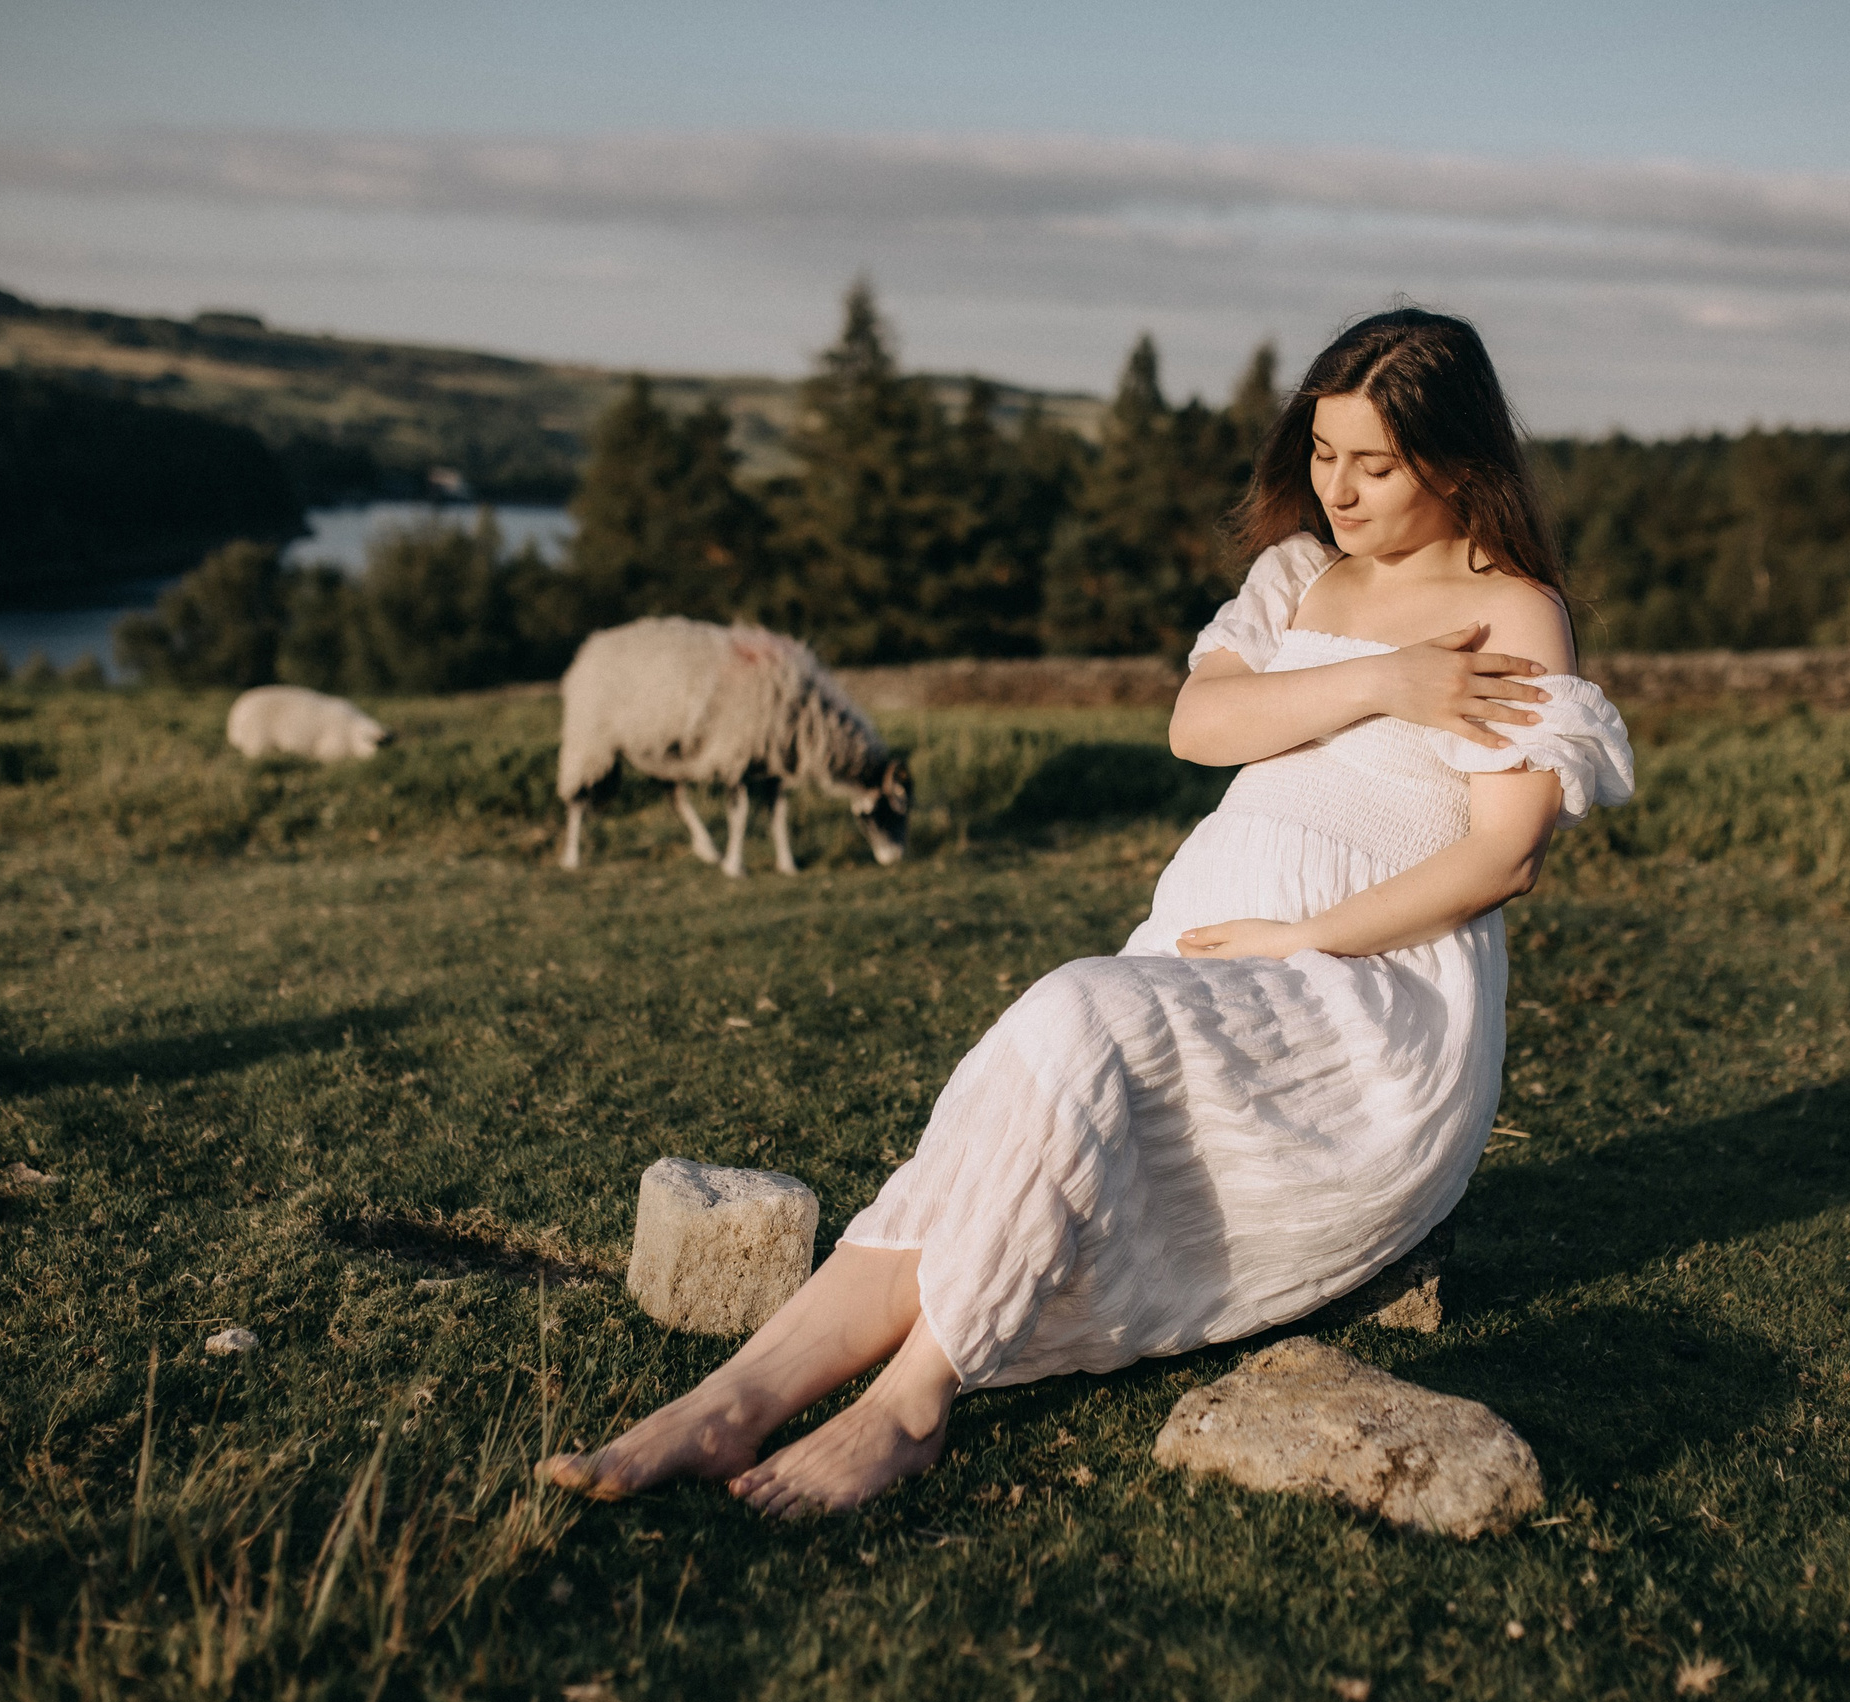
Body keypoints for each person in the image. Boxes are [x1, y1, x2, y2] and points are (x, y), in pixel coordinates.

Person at [537, 308, 1636, 1516]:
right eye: (1324, 454)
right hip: (1201, 958)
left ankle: (911, 1400)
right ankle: (732, 1397)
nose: (1339, 490)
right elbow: (1198, 724)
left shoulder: (1511, 611)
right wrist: (1387, 678)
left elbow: (1501, 857)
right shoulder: (1297, 576)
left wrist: (1298, 937)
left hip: (1365, 1005)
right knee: (1025, 1079)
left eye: (1375, 465)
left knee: (1072, 1014)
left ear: (1457, 460)